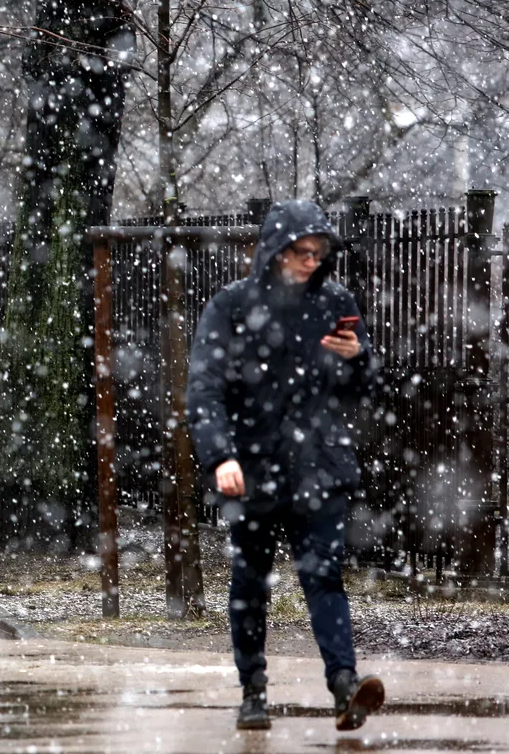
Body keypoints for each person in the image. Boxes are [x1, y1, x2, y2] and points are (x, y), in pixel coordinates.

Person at [187, 199, 384, 733]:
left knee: (325, 578)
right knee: (250, 584)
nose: (310, 262)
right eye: (301, 252)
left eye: (319, 253)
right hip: (251, 468)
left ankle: (345, 685)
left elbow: (368, 388)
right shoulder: (232, 307)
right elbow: (204, 389)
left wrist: (357, 358)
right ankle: (253, 690)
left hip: (317, 465)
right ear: (275, 251)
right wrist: (220, 455)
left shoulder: (334, 302)